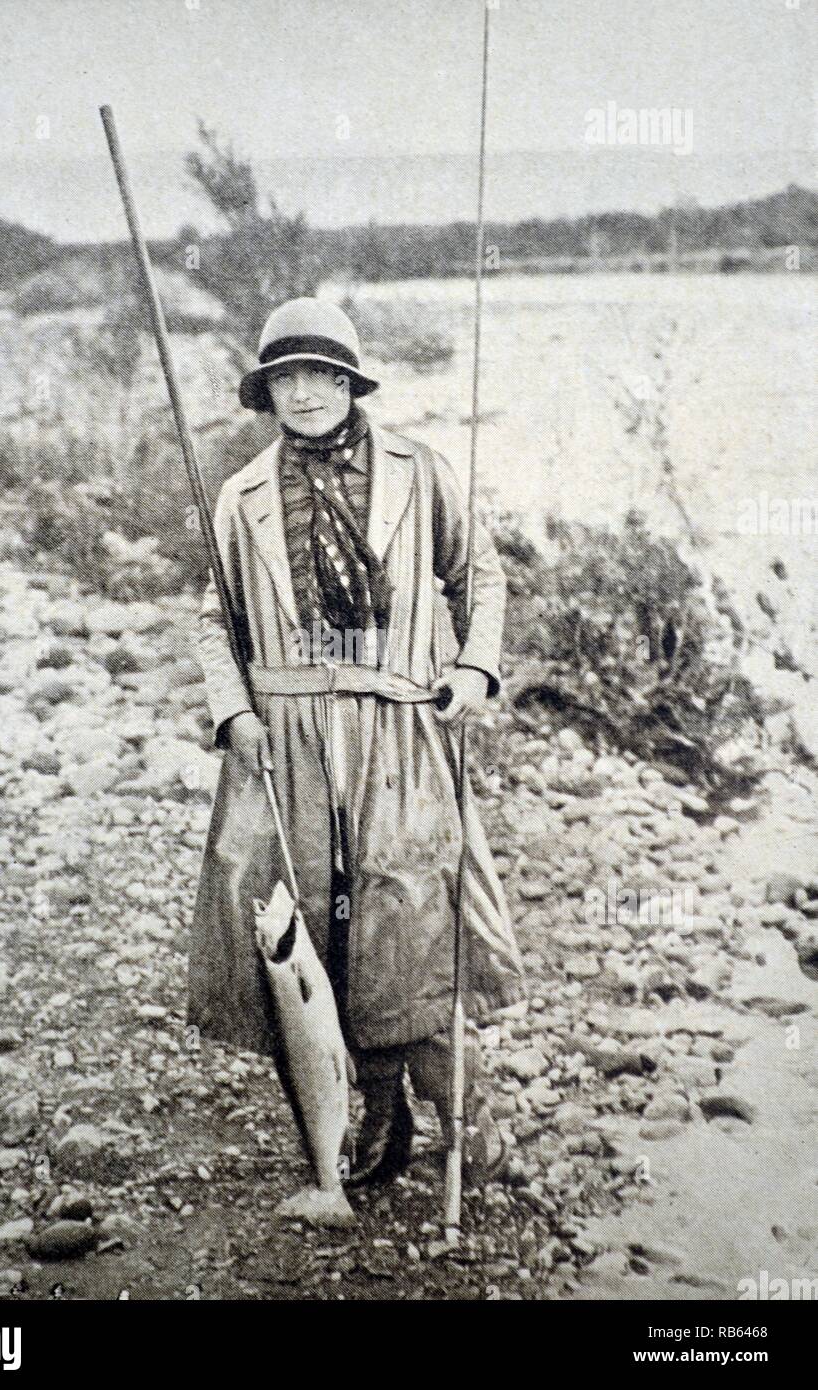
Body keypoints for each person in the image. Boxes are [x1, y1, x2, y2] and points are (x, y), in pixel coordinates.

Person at [190, 297, 524, 1189]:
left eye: (322, 375)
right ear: (268, 392)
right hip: (288, 737)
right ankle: (377, 1115)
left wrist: (475, 670)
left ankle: (467, 1113)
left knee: (410, 916)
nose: (305, 394)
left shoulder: (422, 472)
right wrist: (237, 716)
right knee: (318, 927)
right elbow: (210, 622)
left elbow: (479, 575)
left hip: (402, 724)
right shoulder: (239, 497)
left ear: (350, 383)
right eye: (286, 378)